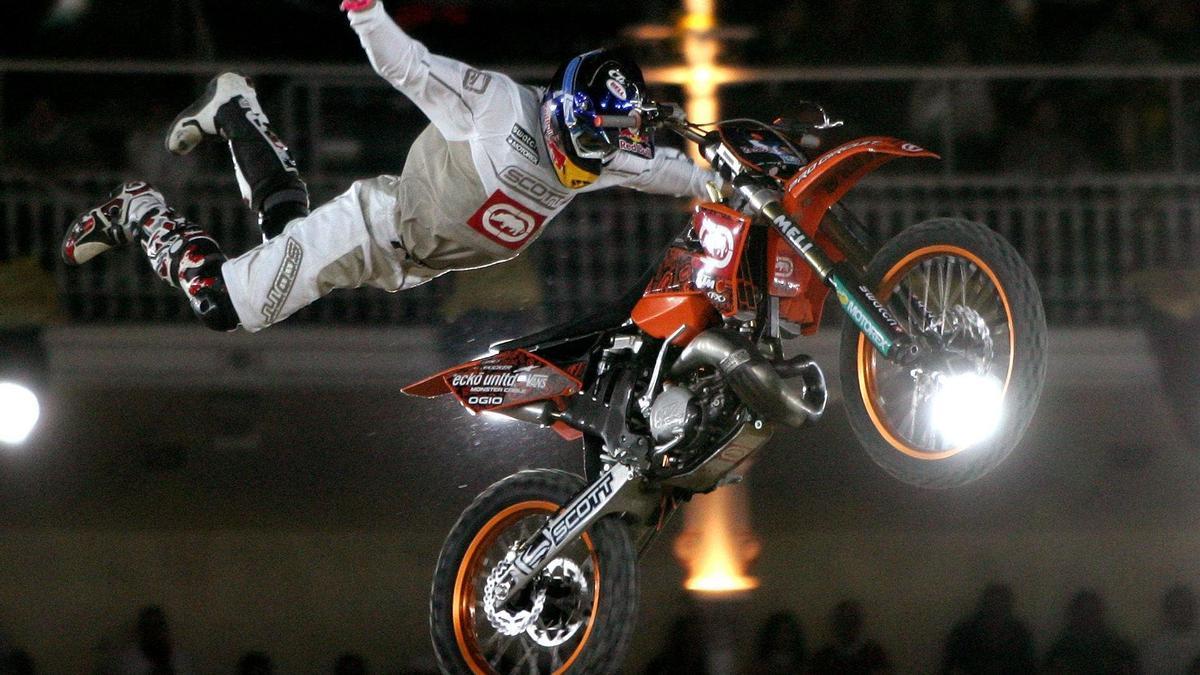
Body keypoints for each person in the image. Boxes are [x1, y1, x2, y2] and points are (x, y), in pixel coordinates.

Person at [60, 0, 715, 334]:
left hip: (406, 262)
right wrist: (365, 10)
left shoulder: (598, 150)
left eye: (601, 149)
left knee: (279, 237)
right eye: (586, 144)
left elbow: (658, 169)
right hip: (376, 228)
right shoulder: (496, 107)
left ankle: (235, 108)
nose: (590, 162)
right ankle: (141, 210)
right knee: (226, 306)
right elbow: (408, 66)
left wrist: (721, 182)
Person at [941, 582, 1035, 675]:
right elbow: (951, 665)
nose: (996, 607)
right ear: (984, 604)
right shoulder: (964, 632)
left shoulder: (1020, 633)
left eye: (1000, 603)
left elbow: (1028, 667)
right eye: (993, 603)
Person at [1043, 588, 1138, 674]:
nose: (1087, 617)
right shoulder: (1060, 651)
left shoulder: (1119, 650)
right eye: (1083, 612)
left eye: (1091, 612)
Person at [808, 599, 891, 675]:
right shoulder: (823, 657)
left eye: (852, 621)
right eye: (843, 621)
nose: (847, 627)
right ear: (835, 624)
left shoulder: (874, 654)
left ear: (859, 624)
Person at [1142, 584, 1200, 675]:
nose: (1186, 610)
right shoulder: (1155, 647)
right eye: (1180, 606)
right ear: (1168, 611)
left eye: (1189, 605)